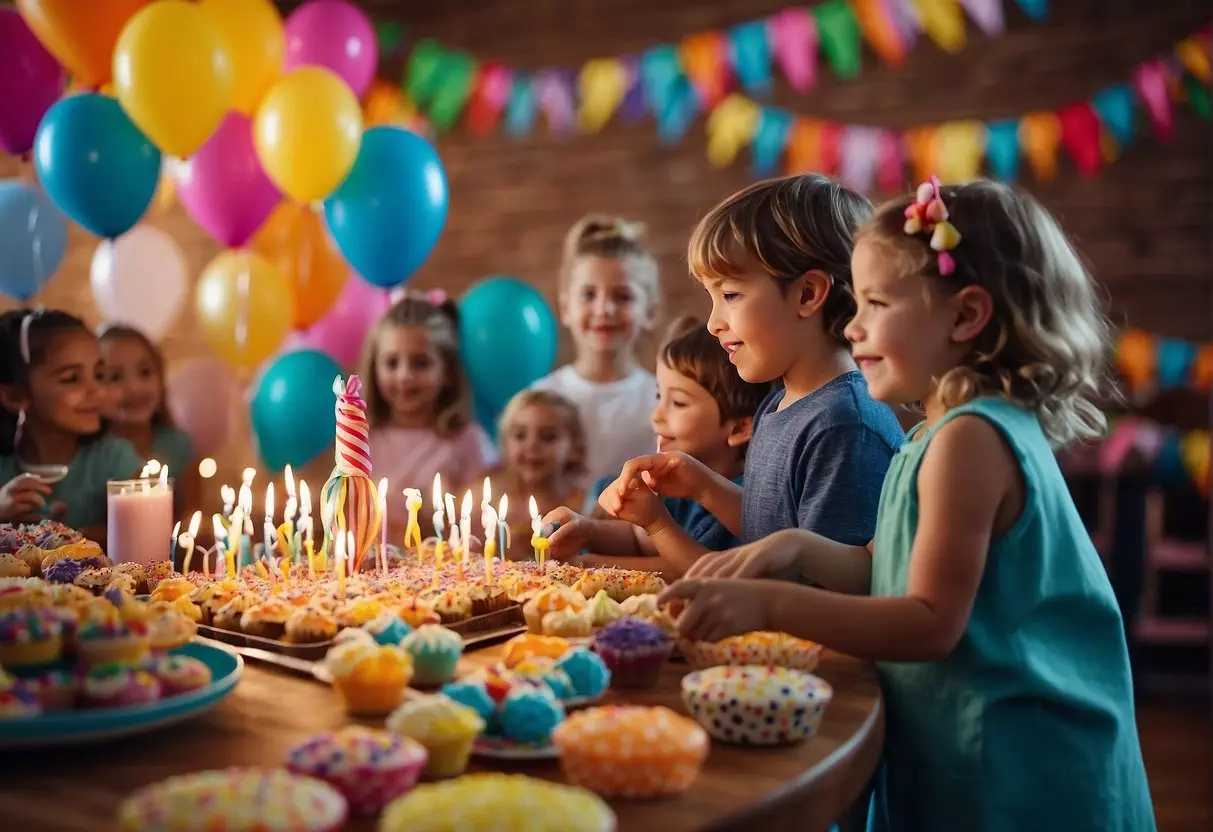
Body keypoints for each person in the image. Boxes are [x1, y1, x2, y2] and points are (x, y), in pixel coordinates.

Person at [661, 178, 1155, 832]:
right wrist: (794, 547)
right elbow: (880, 562)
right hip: (961, 746)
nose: (853, 325)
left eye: (874, 304)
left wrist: (770, 602)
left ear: (964, 316)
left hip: (1015, 768)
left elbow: (928, 621)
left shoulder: (970, 440)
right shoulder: (934, 433)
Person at [599, 174, 904, 571]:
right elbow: (773, 531)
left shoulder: (843, 426)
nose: (712, 323)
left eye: (730, 295)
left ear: (808, 294)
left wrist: (658, 525)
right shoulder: (780, 404)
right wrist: (704, 487)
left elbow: (817, 587)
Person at [543, 316, 769, 575]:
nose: (657, 416)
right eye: (660, 396)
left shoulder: (750, 502)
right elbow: (641, 540)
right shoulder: (675, 479)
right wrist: (586, 530)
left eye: (679, 403)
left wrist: (586, 565)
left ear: (738, 427)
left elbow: (696, 572)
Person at [531, 215, 661, 489]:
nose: (604, 309)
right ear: (566, 308)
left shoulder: (662, 402)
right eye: (589, 295)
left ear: (650, 311)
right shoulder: (540, 398)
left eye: (622, 296)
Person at [359, 291, 497, 545]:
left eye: (420, 363)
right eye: (392, 363)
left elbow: (485, 529)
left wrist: (446, 517)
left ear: (446, 372)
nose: (404, 376)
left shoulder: (468, 442)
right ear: (374, 368)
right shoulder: (362, 441)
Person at [0, 309, 143, 540]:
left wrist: (66, 536)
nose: (96, 390)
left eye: (99, 374)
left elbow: (141, 535)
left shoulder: (117, 461)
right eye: (71, 379)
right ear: (14, 396)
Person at [99, 325, 199, 519]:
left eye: (145, 372)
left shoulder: (179, 446)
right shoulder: (90, 457)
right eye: (115, 377)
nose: (134, 387)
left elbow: (191, 518)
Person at [483, 389, 587, 560]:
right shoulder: (486, 499)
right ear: (504, 444)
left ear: (576, 449)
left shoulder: (583, 508)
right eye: (520, 435)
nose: (532, 445)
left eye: (548, 437)